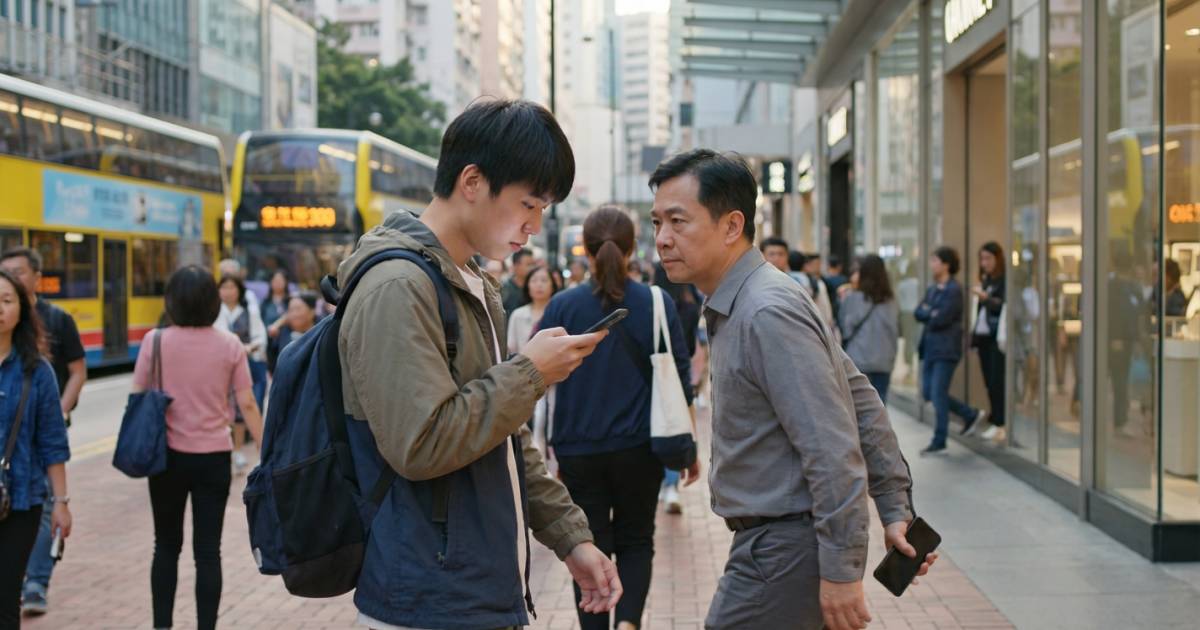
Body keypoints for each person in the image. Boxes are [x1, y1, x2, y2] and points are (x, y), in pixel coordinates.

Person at [334, 98, 620, 629]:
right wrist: (531, 373)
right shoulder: (398, 287)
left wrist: (569, 537)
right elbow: (420, 443)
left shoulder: (468, 281)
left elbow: (503, 434)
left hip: (475, 589)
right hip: (427, 598)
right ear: (472, 182)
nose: (534, 225)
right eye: (528, 204)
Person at [649, 149, 933, 630]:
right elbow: (859, 397)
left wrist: (844, 569)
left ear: (731, 225)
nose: (662, 239)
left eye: (678, 221)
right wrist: (893, 505)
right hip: (776, 547)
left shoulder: (765, 309)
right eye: (657, 222)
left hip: (785, 550)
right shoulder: (754, 298)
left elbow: (831, 443)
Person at [538, 207, 696, 630]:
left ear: (587, 252)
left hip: (577, 447)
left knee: (585, 543)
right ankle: (627, 623)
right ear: (631, 249)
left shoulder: (562, 306)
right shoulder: (656, 303)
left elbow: (534, 375)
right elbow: (680, 377)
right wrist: (689, 446)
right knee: (636, 540)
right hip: (640, 447)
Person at [133, 266, 265, 630]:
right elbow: (248, 404)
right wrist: (267, 452)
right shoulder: (229, 345)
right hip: (213, 457)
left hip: (167, 459)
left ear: (171, 301)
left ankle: (162, 625)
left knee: (166, 546)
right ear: (212, 300)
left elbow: (138, 394)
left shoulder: (154, 341)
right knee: (208, 551)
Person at [1, 248, 85, 618]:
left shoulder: (38, 372)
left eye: (5, 300)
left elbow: (52, 442)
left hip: (21, 499)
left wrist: (62, 503)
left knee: (6, 597)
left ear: (21, 309)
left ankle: (36, 583)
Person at [915, 246, 984, 455]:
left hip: (946, 349)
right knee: (929, 391)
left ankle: (939, 439)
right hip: (930, 348)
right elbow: (919, 313)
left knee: (937, 393)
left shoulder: (954, 290)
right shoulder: (934, 289)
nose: (932, 265)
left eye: (935, 261)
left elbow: (940, 318)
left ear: (946, 264)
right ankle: (969, 414)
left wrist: (930, 313)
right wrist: (930, 313)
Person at [214, 275, 268, 474]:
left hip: (246, 364)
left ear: (239, 290)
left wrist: (248, 347)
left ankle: (240, 450)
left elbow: (260, 338)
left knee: (243, 406)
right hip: (220, 367)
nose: (228, 291)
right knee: (224, 406)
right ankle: (228, 448)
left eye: (232, 287)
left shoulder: (249, 311)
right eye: (224, 287)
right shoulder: (214, 312)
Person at [838, 255, 900, 403]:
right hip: (884, 360)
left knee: (859, 406)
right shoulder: (891, 301)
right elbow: (895, 330)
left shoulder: (852, 298)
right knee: (880, 405)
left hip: (858, 359)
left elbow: (846, 328)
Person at [966, 242, 1005, 441]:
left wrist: (985, 298)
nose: (984, 263)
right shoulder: (987, 279)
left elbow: (1003, 306)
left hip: (996, 338)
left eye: (988, 258)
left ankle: (1001, 422)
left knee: (997, 380)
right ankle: (995, 418)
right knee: (989, 381)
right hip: (983, 337)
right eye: (982, 259)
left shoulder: (1003, 281)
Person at [262, 270, 291, 374]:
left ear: (286, 282)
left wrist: (277, 325)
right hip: (269, 345)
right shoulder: (265, 303)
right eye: (275, 280)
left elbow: (292, 316)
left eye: (280, 280)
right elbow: (260, 323)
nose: (277, 283)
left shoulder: (291, 301)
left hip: (288, 343)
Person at [274, 291, 319, 355]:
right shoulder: (282, 334)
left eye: (298, 309)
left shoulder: (321, 333)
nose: (294, 314)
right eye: (291, 310)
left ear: (312, 312)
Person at [502, 247, 535, 317]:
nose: (532, 268)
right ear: (516, 266)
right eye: (529, 264)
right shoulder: (504, 288)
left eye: (533, 264)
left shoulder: (534, 288)